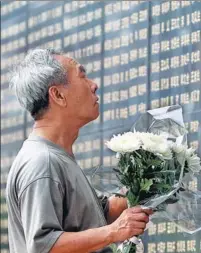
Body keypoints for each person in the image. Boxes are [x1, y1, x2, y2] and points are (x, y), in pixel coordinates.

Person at [6, 48, 153, 253]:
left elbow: (91, 220)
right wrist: (114, 231)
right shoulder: (41, 161)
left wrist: (144, 188)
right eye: (82, 76)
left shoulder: (57, 156)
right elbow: (43, 247)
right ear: (57, 94)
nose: (94, 85)